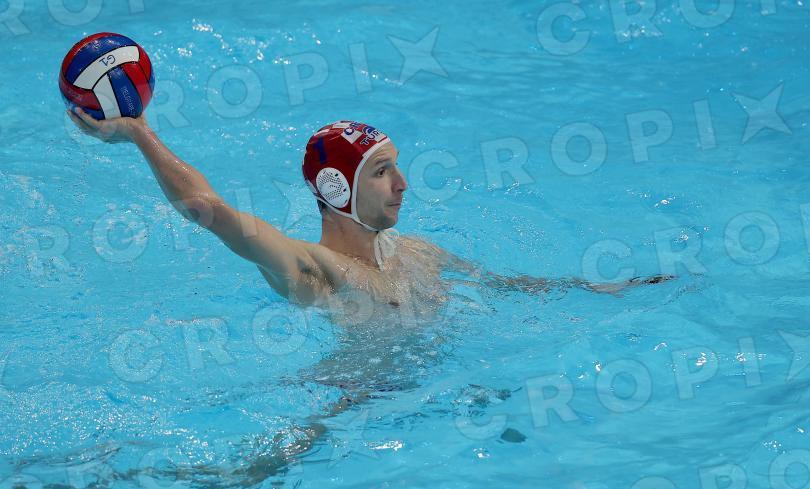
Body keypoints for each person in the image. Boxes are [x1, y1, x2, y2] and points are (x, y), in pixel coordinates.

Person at [67, 109, 671, 316]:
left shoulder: (416, 253)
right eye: (382, 171)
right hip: (352, 408)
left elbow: (507, 287)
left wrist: (604, 288)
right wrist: (139, 133)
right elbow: (206, 208)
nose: (404, 184)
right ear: (336, 186)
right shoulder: (314, 270)